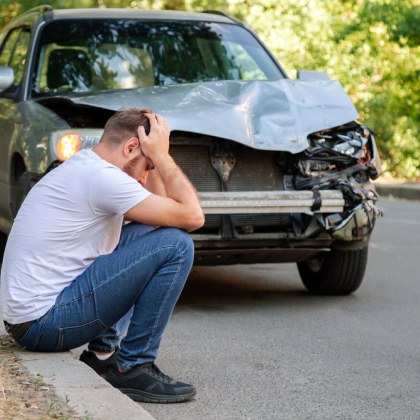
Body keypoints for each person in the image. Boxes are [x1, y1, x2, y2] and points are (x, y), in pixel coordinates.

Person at [0, 108, 204, 403]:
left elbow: (164, 215)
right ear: (131, 147)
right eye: (146, 165)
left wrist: (154, 160)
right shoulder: (102, 179)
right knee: (176, 245)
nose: (146, 177)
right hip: (41, 324)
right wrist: (161, 156)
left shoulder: (88, 167)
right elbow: (192, 216)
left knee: (152, 233)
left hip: (33, 316)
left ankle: (102, 355)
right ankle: (132, 366)